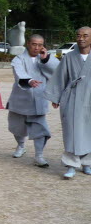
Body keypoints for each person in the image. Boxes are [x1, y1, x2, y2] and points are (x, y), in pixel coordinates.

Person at [45, 26, 91, 179]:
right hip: (72, 97)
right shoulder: (69, 57)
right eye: (78, 35)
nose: (81, 38)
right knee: (71, 131)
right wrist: (56, 97)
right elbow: (60, 77)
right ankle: (71, 164)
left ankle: (87, 162)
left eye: (85, 35)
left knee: (89, 131)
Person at [7, 34, 59, 167]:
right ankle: (21, 145)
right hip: (20, 98)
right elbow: (18, 72)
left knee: (40, 128)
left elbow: (58, 71)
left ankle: (39, 155)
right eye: (34, 44)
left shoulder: (46, 58)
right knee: (16, 127)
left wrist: (46, 60)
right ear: (28, 44)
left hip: (39, 98)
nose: (37, 47)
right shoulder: (19, 59)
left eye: (40, 45)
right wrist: (29, 81)